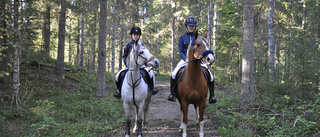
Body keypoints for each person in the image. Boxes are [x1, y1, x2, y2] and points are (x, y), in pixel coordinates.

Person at [167, 16, 217, 104]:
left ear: (195, 27)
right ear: (186, 26)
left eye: (193, 26)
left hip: (198, 60)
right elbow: (180, 51)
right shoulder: (182, 38)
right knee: (174, 73)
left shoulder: (199, 38)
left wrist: (204, 59)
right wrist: (185, 59)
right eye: (190, 26)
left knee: (211, 75)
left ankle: (212, 95)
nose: (191, 27)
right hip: (185, 59)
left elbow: (203, 49)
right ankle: (172, 93)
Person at [114, 26, 159, 99]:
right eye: (134, 35)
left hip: (140, 65)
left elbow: (145, 56)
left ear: (139, 36)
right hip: (129, 66)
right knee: (118, 75)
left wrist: (146, 63)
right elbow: (124, 56)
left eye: (137, 35)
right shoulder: (128, 45)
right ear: (131, 35)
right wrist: (127, 64)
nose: (136, 36)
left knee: (151, 74)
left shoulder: (142, 46)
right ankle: (119, 92)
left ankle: (152, 89)